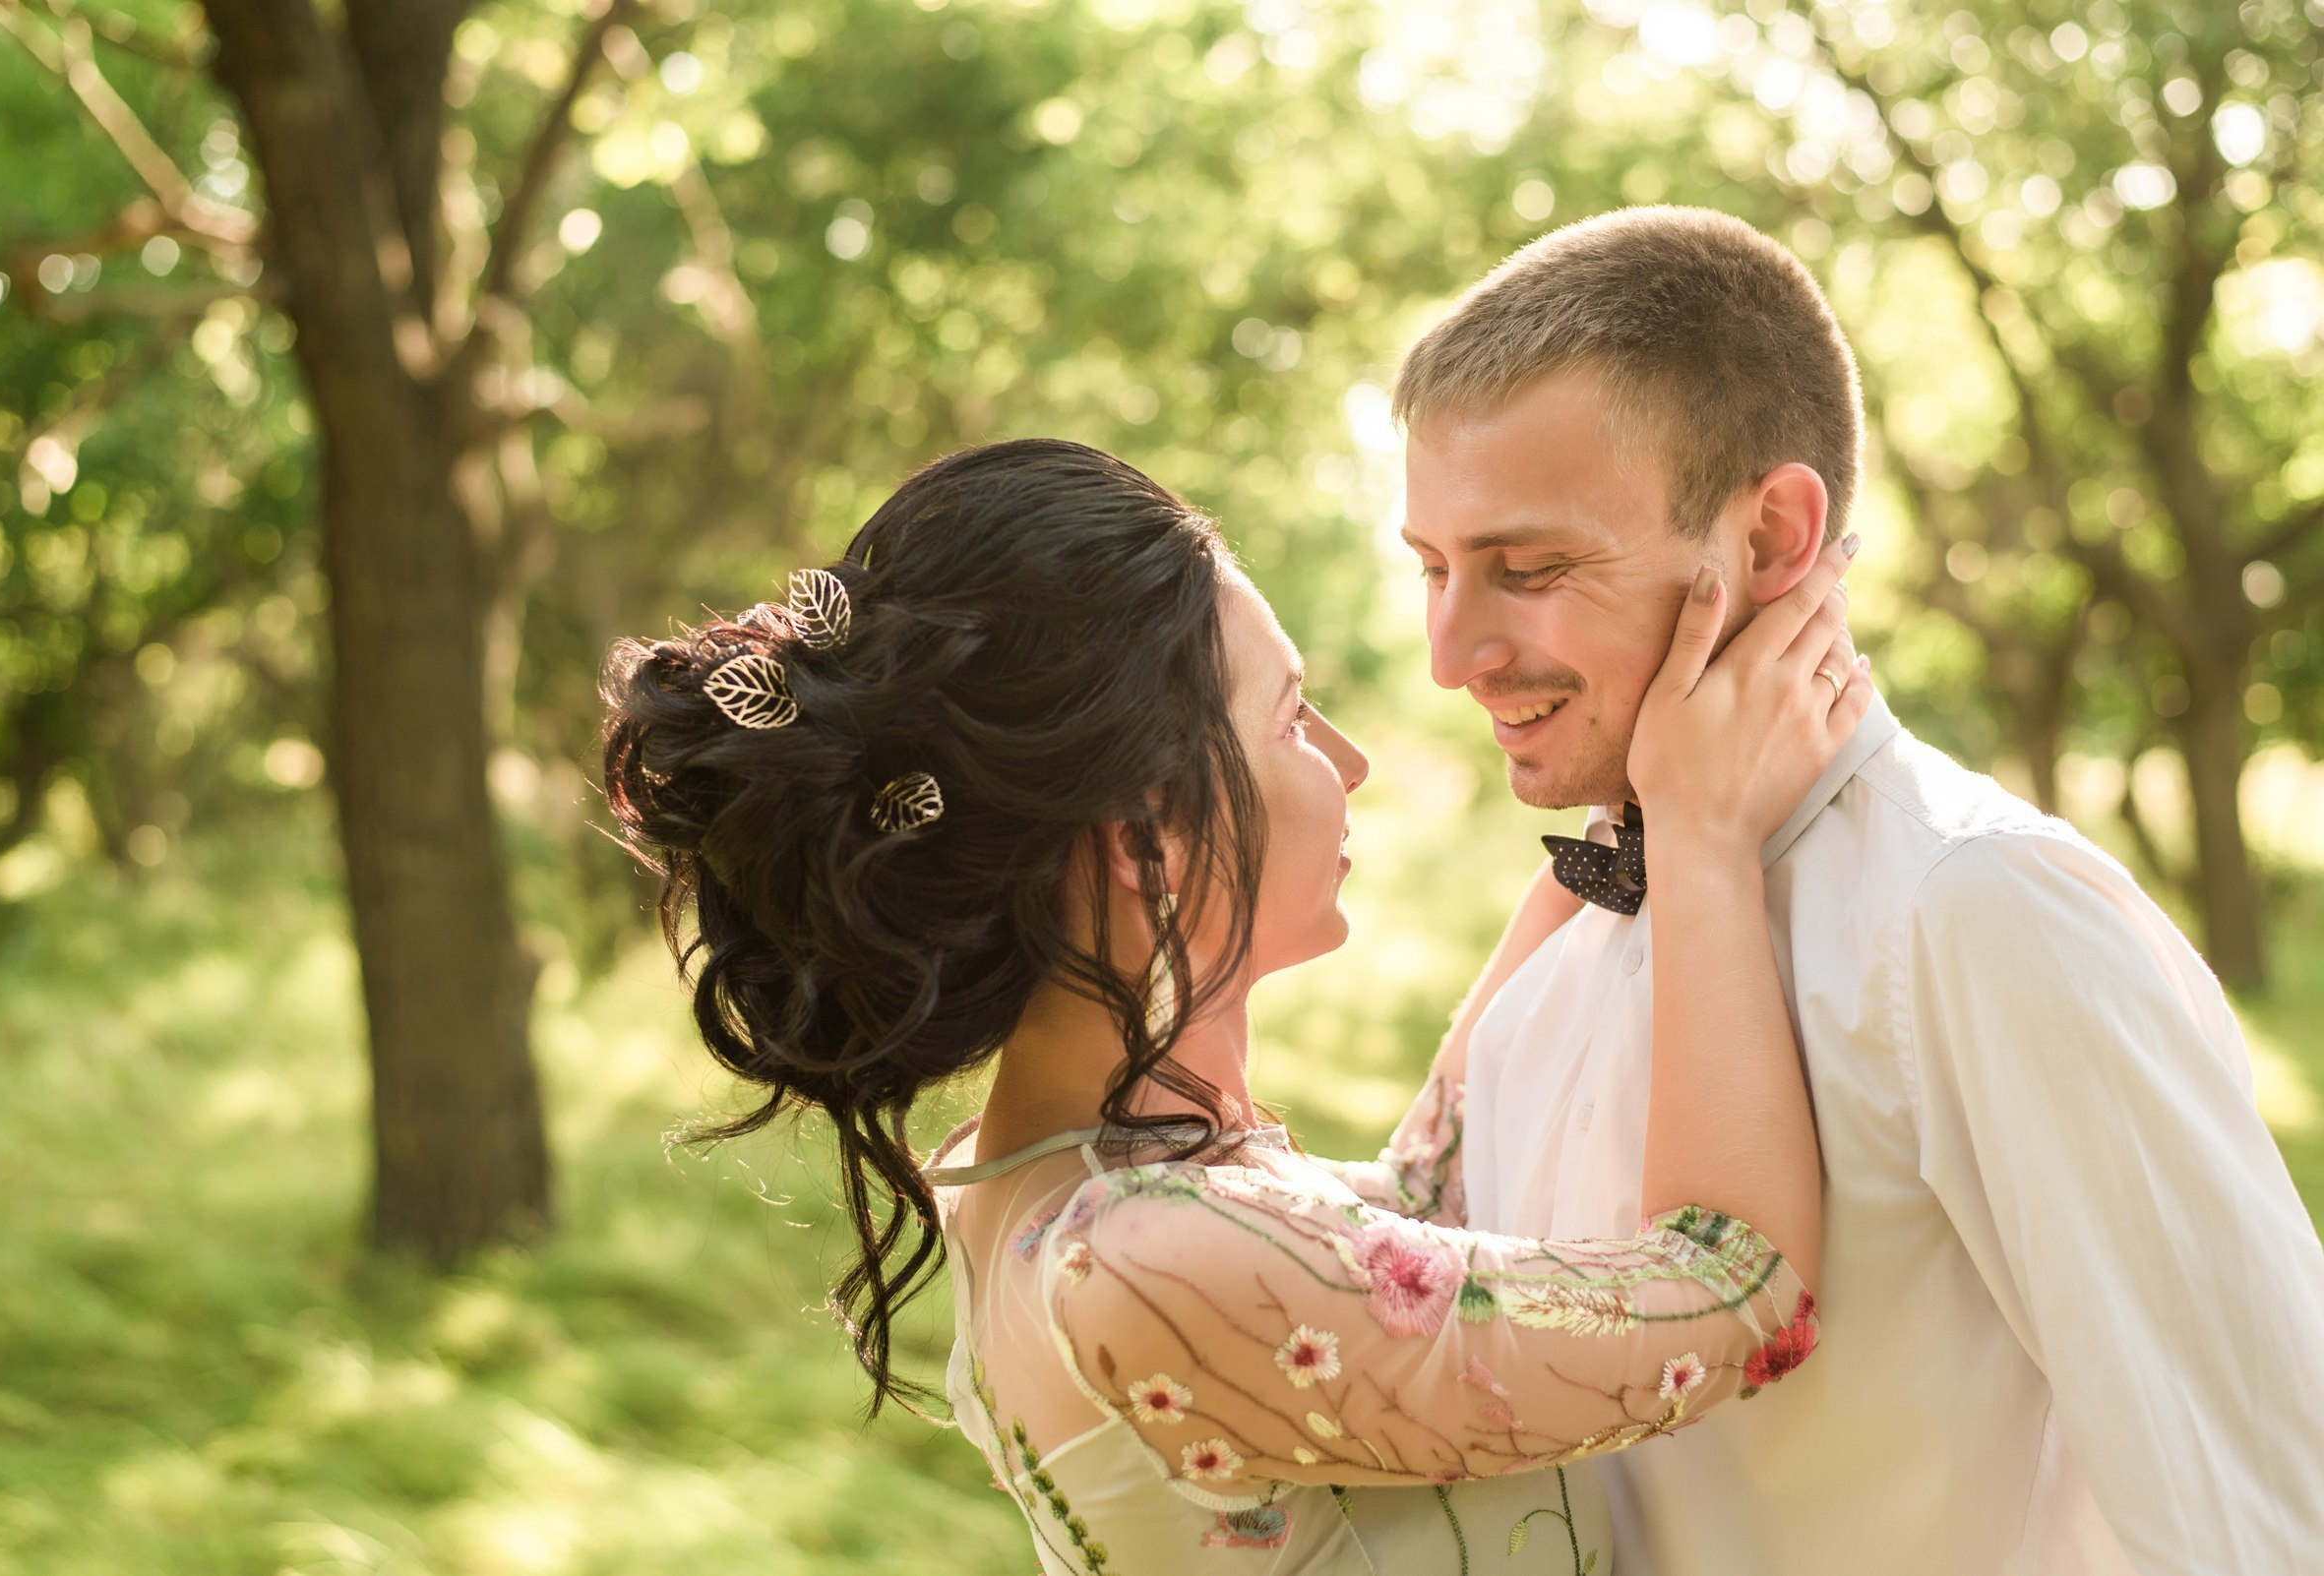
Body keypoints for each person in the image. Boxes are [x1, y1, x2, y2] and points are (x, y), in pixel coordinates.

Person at [598, 438, 1868, 1573]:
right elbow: (1739, 1288)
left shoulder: (1060, 1177)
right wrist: (1702, 837)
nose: (1350, 758)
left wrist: (1629, 795)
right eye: (1290, 717)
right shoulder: (1148, 1260)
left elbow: (1427, 1199)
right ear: (1145, 836)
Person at [1390, 206, 2324, 1576]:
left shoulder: (1982, 911)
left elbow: (2262, 1512)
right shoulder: (1568, 933)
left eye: (1528, 569)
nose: (1451, 652)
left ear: (1773, 538)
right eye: (1431, 569)